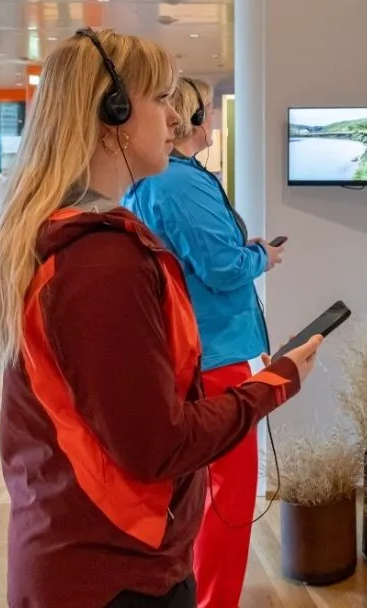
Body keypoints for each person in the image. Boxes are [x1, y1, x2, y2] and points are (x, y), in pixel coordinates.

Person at [0, 27, 323, 608]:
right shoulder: (100, 260)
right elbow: (157, 445)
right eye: (160, 100)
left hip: (83, 553)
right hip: (115, 573)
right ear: (114, 116)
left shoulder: (62, 239)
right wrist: (276, 382)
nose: (173, 121)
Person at [124, 77, 281, 608]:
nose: (211, 122)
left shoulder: (159, 180)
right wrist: (262, 257)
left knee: (206, 500)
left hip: (193, 355)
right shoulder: (179, 182)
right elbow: (221, 265)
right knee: (229, 502)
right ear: (191, 119)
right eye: (208, 112)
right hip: (213, 359)